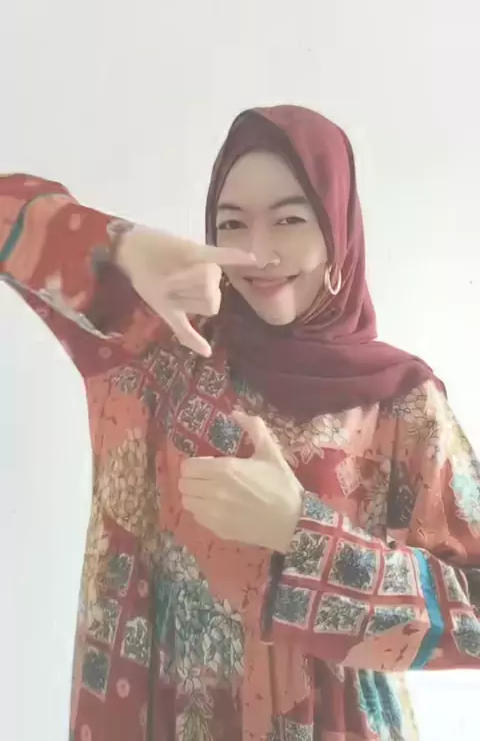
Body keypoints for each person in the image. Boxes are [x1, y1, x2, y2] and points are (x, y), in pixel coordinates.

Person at [1, 105, 479, 741]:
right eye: (232, 223)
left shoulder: (401, 401)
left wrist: (302, 532)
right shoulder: (158, 348)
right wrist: (125, 246)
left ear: (337, 230)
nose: (258, 253)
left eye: (289, 219)